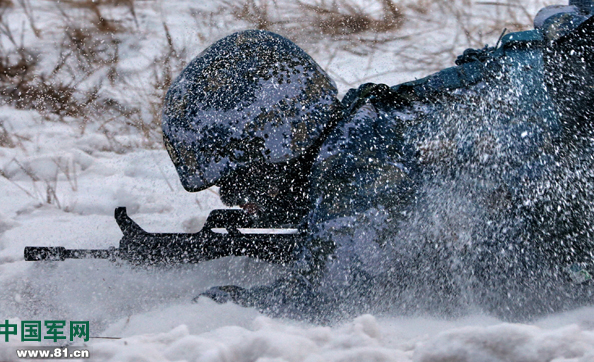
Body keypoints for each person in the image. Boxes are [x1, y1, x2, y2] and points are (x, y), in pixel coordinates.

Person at [160, 5, 594, 321]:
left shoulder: (356, 157)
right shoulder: (378, 128)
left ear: (277, 149)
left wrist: (193, 308)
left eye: (241, 184)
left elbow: (321, 303)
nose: (239, 203)